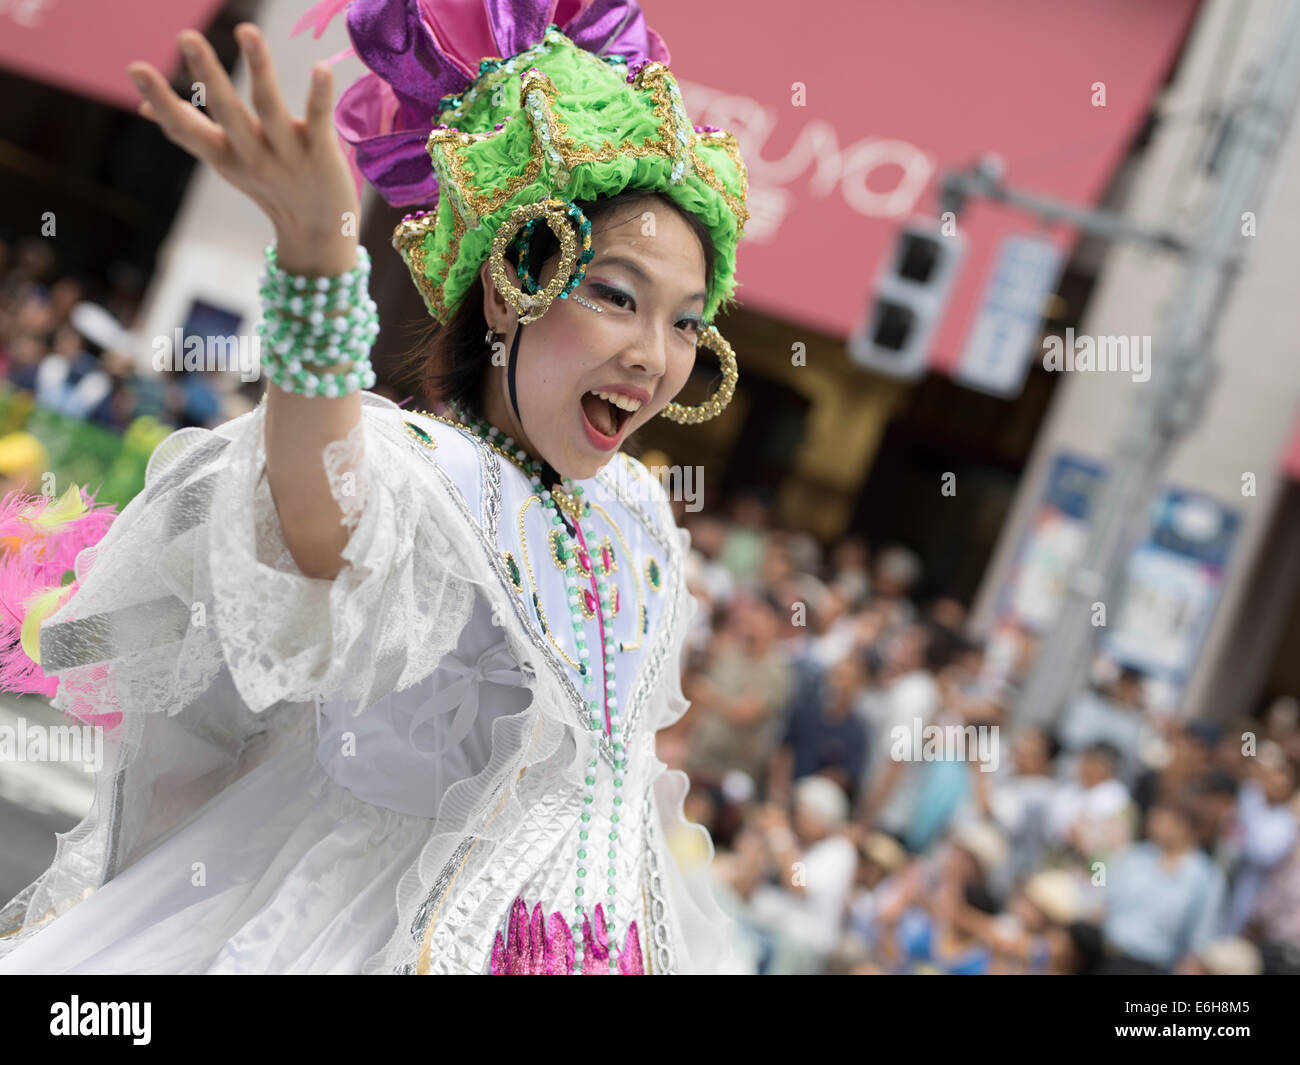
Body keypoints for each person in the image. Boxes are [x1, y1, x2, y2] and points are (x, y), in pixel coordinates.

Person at [0, 0, 751, 975]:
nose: (653, 356)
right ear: (509, 283)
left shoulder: (639, 518)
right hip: (356, 934)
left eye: (688, 324)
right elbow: (318, 539)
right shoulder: (424, 477)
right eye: (616, 296)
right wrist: (317, 259)